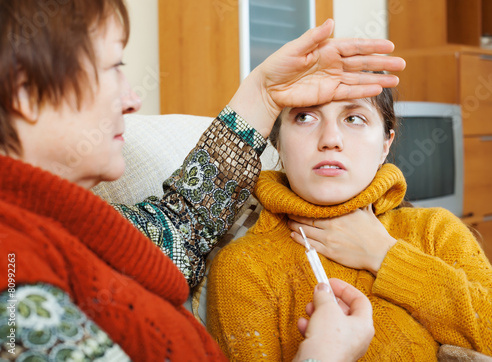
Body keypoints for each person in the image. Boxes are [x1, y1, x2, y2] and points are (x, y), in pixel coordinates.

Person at [0, 0, 405, 360]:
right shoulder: (19, 290)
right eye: (113, 69)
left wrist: (264, 94)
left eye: (353, 119)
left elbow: (182, 228)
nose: (133, 99)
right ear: (24, 95)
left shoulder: (67, 221)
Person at [206, 87, 492, 361]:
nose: (330, 139)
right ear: (279, 142)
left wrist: (386, 256)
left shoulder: (436, 230)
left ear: (386, 144)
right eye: (305, 117)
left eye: (354, 118)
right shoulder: (243, 267)